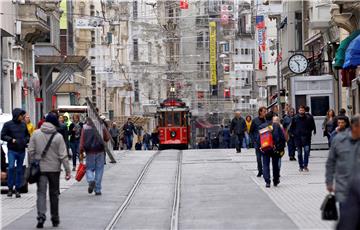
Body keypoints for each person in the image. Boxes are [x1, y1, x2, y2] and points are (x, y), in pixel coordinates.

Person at [27, 113, 71, 228]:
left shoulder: (36, 134)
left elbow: (30, 151)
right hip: (54, 170)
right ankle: (55, 218)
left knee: (41, 193)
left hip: (40, 169)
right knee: (54, 194)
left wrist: (33, 163)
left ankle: (41, 216)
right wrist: (67, 170)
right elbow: (63, 155)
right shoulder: (58, 137)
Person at [325, 114, 360, 222]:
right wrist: (329, 182)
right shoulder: (338, 140)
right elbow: (330, 162)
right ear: (354, 126)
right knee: (346, 218)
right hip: (344, 187)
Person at [1, 108, 29, 198]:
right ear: (17, 115)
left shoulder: (24, 125)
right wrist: (11, 140)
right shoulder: (7, 124)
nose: (23, 116)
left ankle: (17, 189)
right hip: (12, 150)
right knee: (11, 167)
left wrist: (25, 141)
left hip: (21, 150)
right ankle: (10, 188)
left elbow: (28, 135)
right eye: (22, 115)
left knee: (20, 170)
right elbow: (2, 135)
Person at [79, 117, 110, 196]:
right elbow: (107, 138)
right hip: (100, 150)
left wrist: (81, 151)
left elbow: (82, 141)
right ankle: (98, 189)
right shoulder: (101, 126)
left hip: (89, 151)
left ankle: (91, 180)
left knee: (89, 168)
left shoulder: (85, 127)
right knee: (99, 170)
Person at [259, 113, 285, 188]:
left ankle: (267, 181)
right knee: (275, 165)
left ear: (265, 118)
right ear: (272, 118)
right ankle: (275, 180)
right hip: (275, 148)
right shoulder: (276, 125)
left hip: (265, 148)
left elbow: (258, 139)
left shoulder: (262, 126)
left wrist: (259, 147)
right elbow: (282, 137)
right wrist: (281, 147)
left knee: (265, 164)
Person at [292, 105, 313, 172]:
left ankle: (305, 165)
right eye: (300, 110)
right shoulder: (295, 118)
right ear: (298, 111)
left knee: (306, 152)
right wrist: (294, 134)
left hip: (306, 138)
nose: (301, 111)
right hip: (298, 138)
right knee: (299, 153)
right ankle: (301, 166)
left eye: (303, 110)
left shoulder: (308, 118)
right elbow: (292, 127)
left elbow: (311, 126)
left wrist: (308, 133)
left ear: (304, 111)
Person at [249, 107, 267, 177]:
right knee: (259, 158)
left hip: (266, 142)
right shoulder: (255, 121)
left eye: (266, 111)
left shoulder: (267, 120)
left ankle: (265, 171)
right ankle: (260, 171)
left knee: (265, 158)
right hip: (257, 142)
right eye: (264, 111)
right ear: (260, 112)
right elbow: (250, 132)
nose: (265, 113)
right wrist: (254, 140)